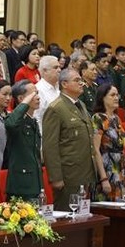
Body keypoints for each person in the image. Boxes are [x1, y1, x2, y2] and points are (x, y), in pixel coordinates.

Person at [42, 69, 96, 211]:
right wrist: (56, 177)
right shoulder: (56, 108)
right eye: (77, 80)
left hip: (85, 172)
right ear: (64, 84)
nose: (82, 83)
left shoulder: (80, 105)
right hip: (68, 175)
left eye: (81, 80)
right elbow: (50, 146)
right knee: (67, 215)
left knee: (84, 218)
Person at [5, 80, 43, 201]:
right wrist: (24, 104)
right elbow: (10, 124)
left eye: (37, 93)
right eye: (33, 94)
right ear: (21, 98)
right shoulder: (15, 119)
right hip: (21, 185)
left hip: (34, 182)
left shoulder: (33, 121)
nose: (37, 97)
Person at [91, 84, 125, 201]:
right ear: (103, 98)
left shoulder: (116, 118)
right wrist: (103, 178)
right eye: (112, 95)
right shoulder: (98, 118)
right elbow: (95, 150)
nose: (116, 98)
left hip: (119, 169)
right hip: (107, 169)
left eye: (117, 95)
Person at [34, 55, 61, 133]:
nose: (59, 70)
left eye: (59, 67)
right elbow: (37, 118)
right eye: (55, 68)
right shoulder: (38, 90)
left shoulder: (61, 87)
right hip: (48, 137)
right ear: (45, 71)